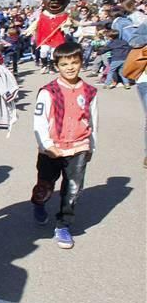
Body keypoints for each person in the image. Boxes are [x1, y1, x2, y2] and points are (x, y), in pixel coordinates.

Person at [30, 41, 98, 249]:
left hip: (78, 146)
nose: (70, 67)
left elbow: (93, 119)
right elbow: (39, 121)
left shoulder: (89, 91)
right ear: (57, 65)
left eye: (74, 62)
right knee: (46, 184)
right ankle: (39, 203)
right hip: (52, 149)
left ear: (81, 62)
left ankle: (63, 225)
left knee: (73, 188)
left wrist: (91, 146)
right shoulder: (48, 91)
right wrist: (47, 144)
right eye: (64, 64)